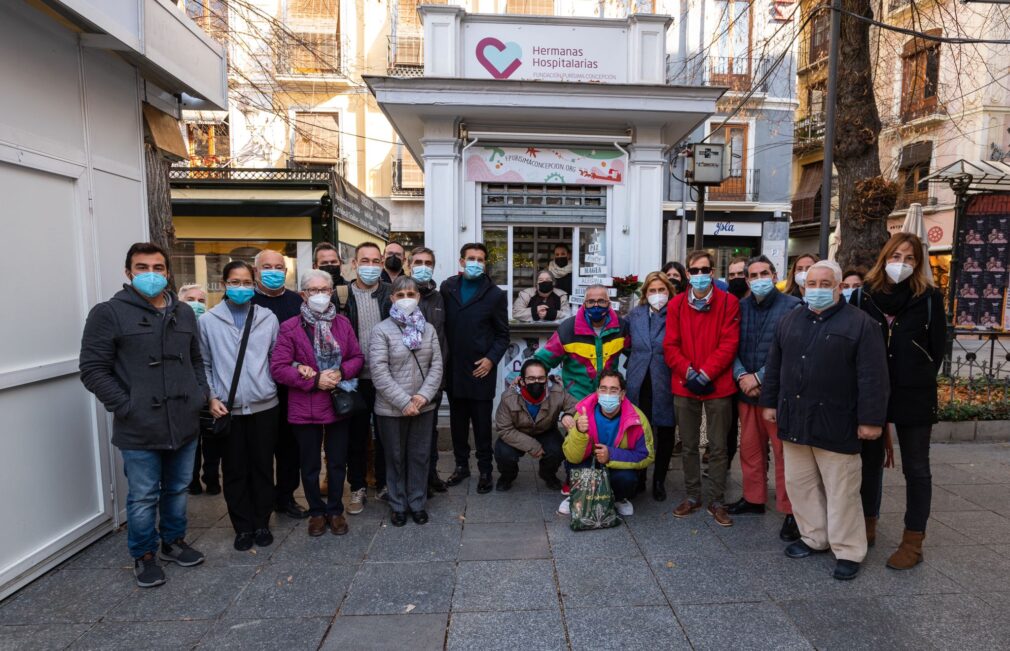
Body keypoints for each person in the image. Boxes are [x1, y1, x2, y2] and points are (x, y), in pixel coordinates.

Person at [80, 242, 208, 588]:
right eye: (142, 268)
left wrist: (199, 394)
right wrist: (126, 405)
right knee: (143, 494)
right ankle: (144, 553)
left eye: (157, 268)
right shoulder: (108, 313)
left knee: (178, 487)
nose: (151, 275)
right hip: (139, 425)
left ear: (167, 273)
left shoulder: (182, 312)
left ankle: (173, 541)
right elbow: (92, 369)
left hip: (183, 419)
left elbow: (195, 359)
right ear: (128, 273)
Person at [761, 260, 890, 581]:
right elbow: (774, 366)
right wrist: (769, 403)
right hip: (795, 419)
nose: (817, 290)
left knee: (841, 489)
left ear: (837, 287)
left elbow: (873, 376)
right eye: (811, 284)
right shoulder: (790, 321)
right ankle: (814, 536)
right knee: (800, 485)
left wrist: (871, 420)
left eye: (824, 284)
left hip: (838, 421)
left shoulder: (861, 324)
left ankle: (848, 549)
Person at [852, 233, 946, 570]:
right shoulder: (864, 296)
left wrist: (913, 372)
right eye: (896, 256)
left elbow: (937, 350)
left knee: (917, 468)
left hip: (915, 395)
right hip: (873, 392)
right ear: (884, 257)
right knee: (868, 462)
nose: (901, 263)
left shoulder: (930, 297)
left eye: (909, 258)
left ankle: (913, 540)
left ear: (918, 263)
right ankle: (867, 524)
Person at [271, 269, 364, 537]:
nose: (321, 295)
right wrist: (313, 381)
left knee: (337, 461)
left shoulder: (343, 324)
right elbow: (278, 368)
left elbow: (357, 357)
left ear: (332, 292)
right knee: (309, 464)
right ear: (303, 294)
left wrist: (341, 372)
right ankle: (316, 512)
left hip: (338, 402)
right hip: (305, 404)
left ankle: (335, 510)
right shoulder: (290, 327)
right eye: (314, 290)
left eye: (325, 290)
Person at [199, 261, 280, 551]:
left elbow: (275, 357)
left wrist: (268, 384)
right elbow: (205, 364)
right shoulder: (208, 321)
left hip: (264, 405)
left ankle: (262, 522)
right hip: (227, 409)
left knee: (262, 467)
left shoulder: (267, 318)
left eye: (246, 282)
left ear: (254, 283)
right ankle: (242, 527)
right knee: (233, 470)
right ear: (224, 284)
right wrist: (211, 397)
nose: (241, 287)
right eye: (235, 282)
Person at [727, 255, 802, 542]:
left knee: (784, 454)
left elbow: (793, 352)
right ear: (746, 280)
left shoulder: (793, 307)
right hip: (745, 391)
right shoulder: (740, 308)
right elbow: (730, 345)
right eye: (753, 275)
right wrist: (742, 376)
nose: (759, 279)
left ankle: (791, 510)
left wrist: (758, 377)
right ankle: (753, 498)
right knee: (750, 449)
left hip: (777, 395)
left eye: (764, 273)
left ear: (774, 275)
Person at [663, 250, 740, 527]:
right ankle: (693, 495)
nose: (699, 275)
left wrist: (706, 373)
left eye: (704, 269)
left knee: (718, 446)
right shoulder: (675, 306)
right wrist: (688, 371)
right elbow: (670, 345)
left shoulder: (729, 302)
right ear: (687, 274)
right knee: (689, 445)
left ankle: (716, 499)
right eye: (693, 271)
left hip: (718, 384)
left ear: (712, 272)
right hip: (684, 383)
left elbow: (729, 343)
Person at [370, 276, 444, 525]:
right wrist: (404, 402)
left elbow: (437, 366)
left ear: (418, 297)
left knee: (420, 455)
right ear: (392, 298)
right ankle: (398, 504)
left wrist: (422, 397)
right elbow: (379, 372)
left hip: (424, 405)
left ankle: (417, 502)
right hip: (391, 408)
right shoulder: (381, 330)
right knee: (395, 456)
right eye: (400, 295)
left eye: (410, 294)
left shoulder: (429, 329)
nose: (406, 299)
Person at [441, 243, 510, 493]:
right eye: (471, 258)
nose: (476, 263)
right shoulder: (447, 288)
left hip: (481, 370)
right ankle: (461, 467)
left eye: (481, 259)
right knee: (457, 424)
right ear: (461, 261)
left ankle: (485, 470)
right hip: (454, 369)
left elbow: (503, 334)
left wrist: (491, 359)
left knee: (482, 425)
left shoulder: (495, 294)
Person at [251, 249, 308, 520]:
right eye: (267, 267)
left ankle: (285, 497)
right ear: (256, 271)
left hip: (292, 388)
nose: (273, 271)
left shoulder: (297, 301)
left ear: (286, 272)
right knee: (260, 450)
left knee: (290, 449)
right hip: (257, 389)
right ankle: (260, 500)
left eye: (278, 267)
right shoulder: (246, 301)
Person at [561, 370, 655, 516]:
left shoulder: (637, 419)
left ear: (622, 394)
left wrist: (611, 454)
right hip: (588, 463)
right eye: (603, 389)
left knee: (627, 479)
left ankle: (618, 498)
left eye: (613, 390)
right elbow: (572, 456)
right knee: (574, 465)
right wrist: (579, 432)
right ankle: (576, 495)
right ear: (597, 392)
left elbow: (646, 456)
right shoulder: (583, 413)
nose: (607, 394)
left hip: (615, 467)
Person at [341, 242, 392, 513]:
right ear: (354, 264)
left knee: (385, 435)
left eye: (375, 261)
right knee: (356, 436)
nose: (370, 266)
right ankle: (357, 487)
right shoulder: (341, 295)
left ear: (382, 264)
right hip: (353, 379)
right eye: (365, 260)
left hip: (385, 378)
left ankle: (384, 484)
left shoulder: (391, 293)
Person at [625, 272, 676, 501]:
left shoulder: (676, 313)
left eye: (661, 290)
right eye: (652, 290)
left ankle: (659, 480)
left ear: (669, 291)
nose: (657, 295)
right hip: (639, 379)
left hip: (665, 379)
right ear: (645, 293)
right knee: (640, 430)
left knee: (665, 431)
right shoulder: (634, 315)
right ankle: (639, 477)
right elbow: (626, 342)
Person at [494, 359, 578, 492]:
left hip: (545, 430)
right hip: (517, 432)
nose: (536, 382)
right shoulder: (508, 397)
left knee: (558, 450)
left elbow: (576, 406)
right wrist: (532, 446)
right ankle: (507, 477)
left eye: (540, 378)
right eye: (531, 378)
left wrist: (567, 414)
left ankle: (548, 474)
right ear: (522, 381)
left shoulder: (557, 392)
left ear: (546, 379)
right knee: (504, 453)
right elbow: (504, 429)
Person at [534, 285, 630, 401]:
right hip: (576, 397)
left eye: (601, 301)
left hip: (609, 397)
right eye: (591, 302)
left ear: (609, 304)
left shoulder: (621, 327)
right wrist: (526, 376)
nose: (596, 305)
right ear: (584, 305)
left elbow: (637, 354)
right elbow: (543, 360)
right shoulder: (568, 329)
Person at [410, 246, 450, 493]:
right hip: (405, 379)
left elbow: (444, 338)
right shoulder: (401, 294)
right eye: (418, 262)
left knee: (429, 432)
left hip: (434, 379)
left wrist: (439, 377)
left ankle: (430, 474)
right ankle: (411, 480)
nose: (423, 266)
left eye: (427, 262)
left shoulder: (439, 298)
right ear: (409, 264)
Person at [180, 284, 220, 496]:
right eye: (190, 300)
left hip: (209, 393)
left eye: (202, 301)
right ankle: (192, 479)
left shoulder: (209, 326)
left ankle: (212, 478)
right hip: (186, 397)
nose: (196, 305)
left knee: (212, 440)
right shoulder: (175, 327)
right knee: (191, 442)